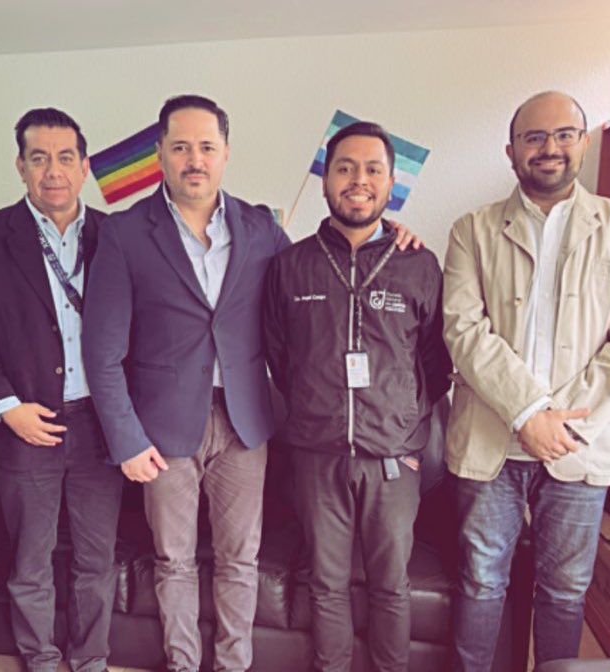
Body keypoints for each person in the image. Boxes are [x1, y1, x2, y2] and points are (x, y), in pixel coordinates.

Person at [83, 95, 421, 672]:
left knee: (240, 559)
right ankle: (183, 664)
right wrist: (127, 440)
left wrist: (389, 235)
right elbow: (101, 350)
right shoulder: (124, 233)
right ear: (160, 153)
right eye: (181, 147)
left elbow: (323, 270)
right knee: (173, 560)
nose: (195, 159)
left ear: (226, 154)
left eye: (206, 147)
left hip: (245, 421)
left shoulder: (262, 228)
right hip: (161, 430)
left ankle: (233, 665)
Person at [442, 91, 610, 670]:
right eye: (534, 137)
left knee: (565, 591)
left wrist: (560, 424)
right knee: (480, 581)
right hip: (491, 438)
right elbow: (464, 329)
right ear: (511, 151)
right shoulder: (472, 229)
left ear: (584, 143)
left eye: (564, 134)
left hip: (580, 442)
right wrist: (527, 415)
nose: (549, 148)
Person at [263, 121, 452, 672]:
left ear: (391, 183)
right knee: (326, 582)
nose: (358, 180)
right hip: (316, 453)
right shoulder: (290, 265)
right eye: (345, 168)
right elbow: (279, 356)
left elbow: (436, 363)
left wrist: (405, 429)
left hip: (393, 458)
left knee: (391, 584)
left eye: (373, 169)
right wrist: (315, 408)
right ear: (327, 180)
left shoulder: (419, 263)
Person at [0, 108, 122, 672]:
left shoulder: (115, 235)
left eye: (66, 157)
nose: (54, 171)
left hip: (99, 424)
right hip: (26, 423)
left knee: (96, 559)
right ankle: (41, 660)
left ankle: (91, 659)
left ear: (85, 166)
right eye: (40, 158)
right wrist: (6, 409)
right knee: (31, 561)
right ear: (20, 166)